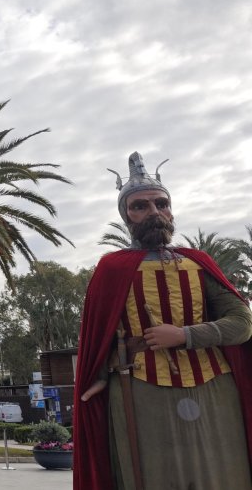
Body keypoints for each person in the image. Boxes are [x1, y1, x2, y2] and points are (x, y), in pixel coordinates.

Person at [75, 152, 252, 489]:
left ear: (171, 210)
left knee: (225, 474)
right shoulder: (111, 269)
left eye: (161, 203)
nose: (154, 212)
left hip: (214, 383)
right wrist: (98, 373)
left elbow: (242, 323)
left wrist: (184, 335)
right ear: (127, 216)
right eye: (140, 206)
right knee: (153, 477)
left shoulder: (198, 263)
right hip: (140, 386)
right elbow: (99, 334)